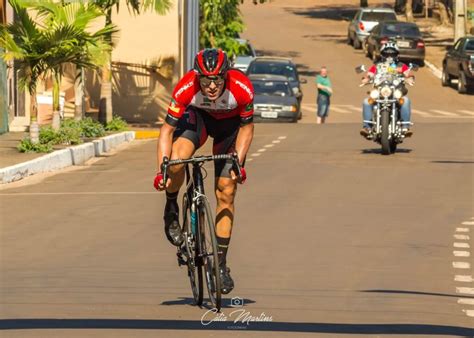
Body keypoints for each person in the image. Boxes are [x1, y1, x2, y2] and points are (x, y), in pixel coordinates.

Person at [153, 48, 254, 295]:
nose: (210, 86)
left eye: (217, 79)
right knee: (177, 160)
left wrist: (239, 164)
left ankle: (220, 265)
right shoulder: (186, 87)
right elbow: (166, 131)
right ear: (197, 76)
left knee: (226, 191)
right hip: (198, 120)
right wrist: (162, 170)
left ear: (226, 75)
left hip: (229, 129)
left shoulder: (242, 87)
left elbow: (247, 128)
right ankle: (171, 208)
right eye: (205, 80)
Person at [359, 41, 414, 138]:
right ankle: (367, 127)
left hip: (396, 91)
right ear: (382, 54)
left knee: (405, 101)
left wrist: (409, 77)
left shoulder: (401, 65)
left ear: (396, 55)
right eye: (387, 54)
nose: (389, 56)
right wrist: (366, 79)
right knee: (366, 101)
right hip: (380, 91)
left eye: (392, 54)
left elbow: (408, 74)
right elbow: (369, 74)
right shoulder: (377, 65)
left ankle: (405, 127)